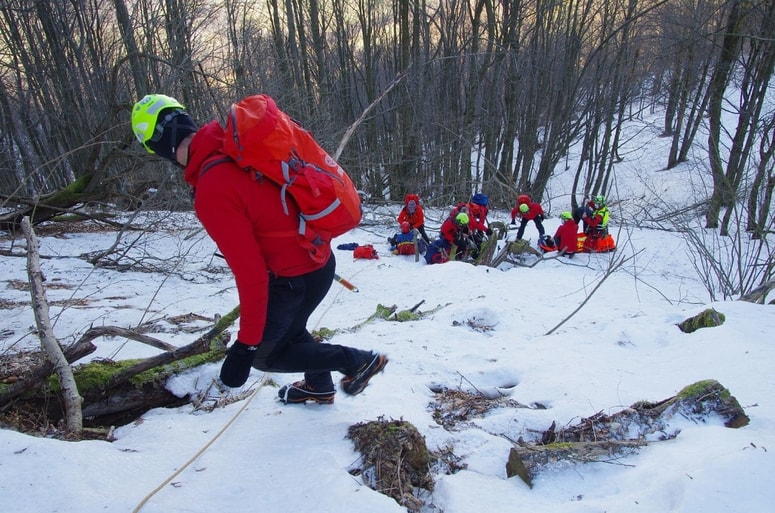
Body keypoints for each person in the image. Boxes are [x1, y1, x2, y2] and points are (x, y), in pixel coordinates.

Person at [131, 93, 387, 405]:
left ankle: (356, 361)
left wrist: (245, 346)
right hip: (320, 262)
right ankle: (319, 385)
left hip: (293, 280)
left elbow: (252, 276)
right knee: (292, 331)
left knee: (267, 357)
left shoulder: (211, 188)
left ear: (159, 147)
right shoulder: (235, 146)